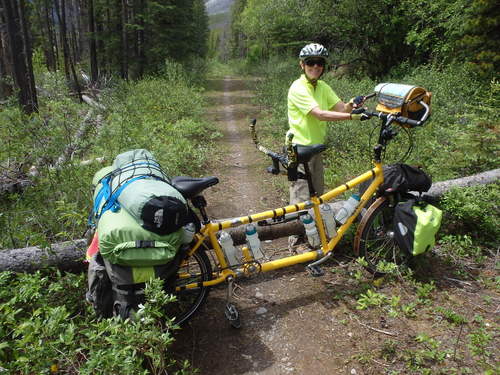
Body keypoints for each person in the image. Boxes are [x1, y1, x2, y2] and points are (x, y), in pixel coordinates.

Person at [287, 43, 367, 249]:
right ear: (302, 65)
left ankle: (315, 237)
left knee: (318, 196)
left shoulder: (322, 87)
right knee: (301, 198)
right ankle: (295, 242)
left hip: (316, 149)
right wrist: (352, 117)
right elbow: (319, 114)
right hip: (299, 150)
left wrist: (352, 105)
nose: (315, 66)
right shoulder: (298, 87)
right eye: (310, 62)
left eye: (319, 63)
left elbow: (341, 108)